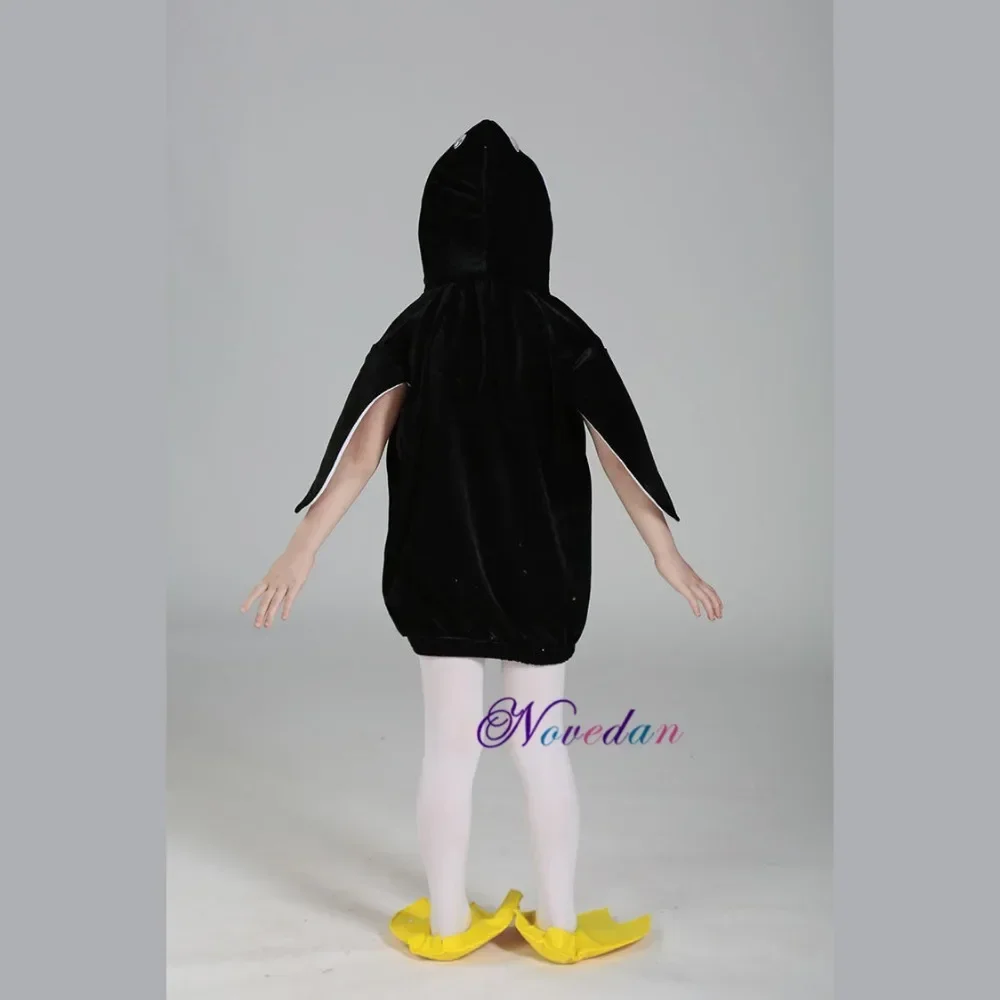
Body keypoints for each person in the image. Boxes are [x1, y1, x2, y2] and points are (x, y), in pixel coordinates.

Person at [241, 119, 722, 964]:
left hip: (441, 568)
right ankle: (561, 926)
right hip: (543, 575)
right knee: (540, 750)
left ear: (434, 227)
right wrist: (664, 551)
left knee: (449, 750)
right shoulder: (559, 329)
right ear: (538, 227)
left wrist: (304, 544)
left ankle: (447, 925)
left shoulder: (416, 327)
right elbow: (618, 451)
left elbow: (361, 450)